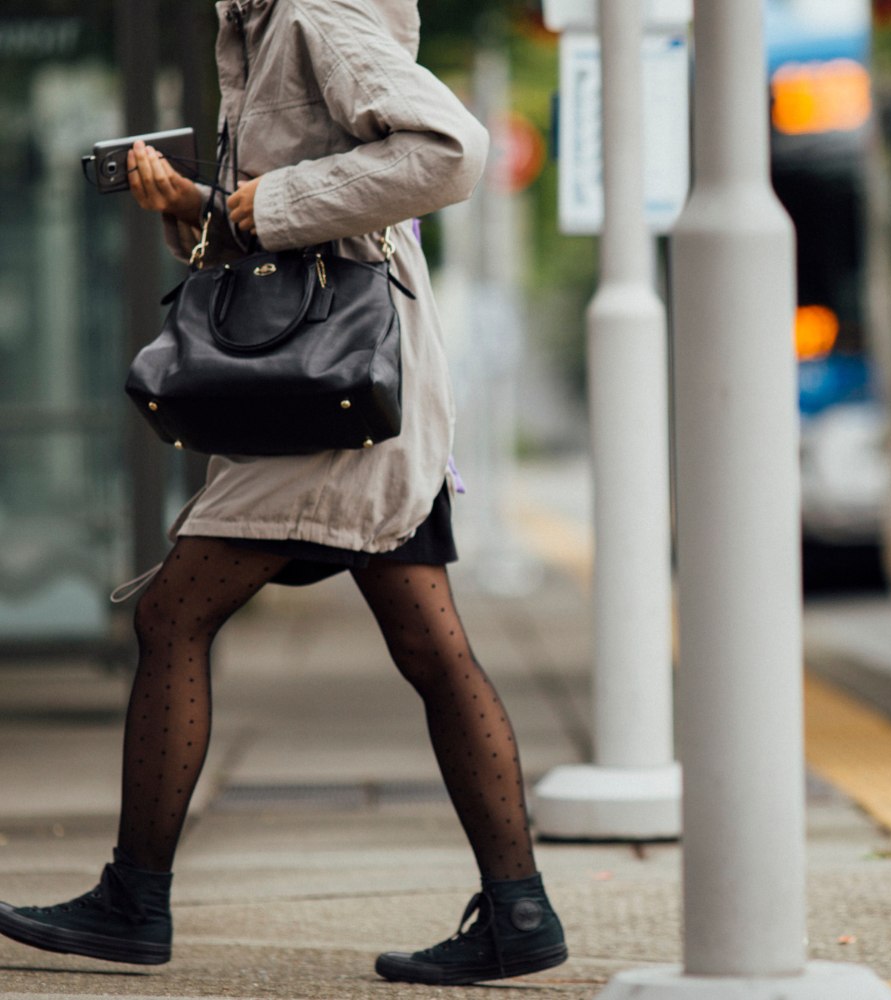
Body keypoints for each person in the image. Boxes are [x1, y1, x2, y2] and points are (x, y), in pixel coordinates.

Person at [0, 0, 566, 986]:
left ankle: (135, 900)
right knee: (433, 648)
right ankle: (518, 909)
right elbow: (254, 236)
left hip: (337, 402)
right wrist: (187, 201)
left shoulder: (311, 13)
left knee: (174, 613)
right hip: (348, 394)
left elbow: (449, 150)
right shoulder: (262, 28)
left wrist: (258, 204)